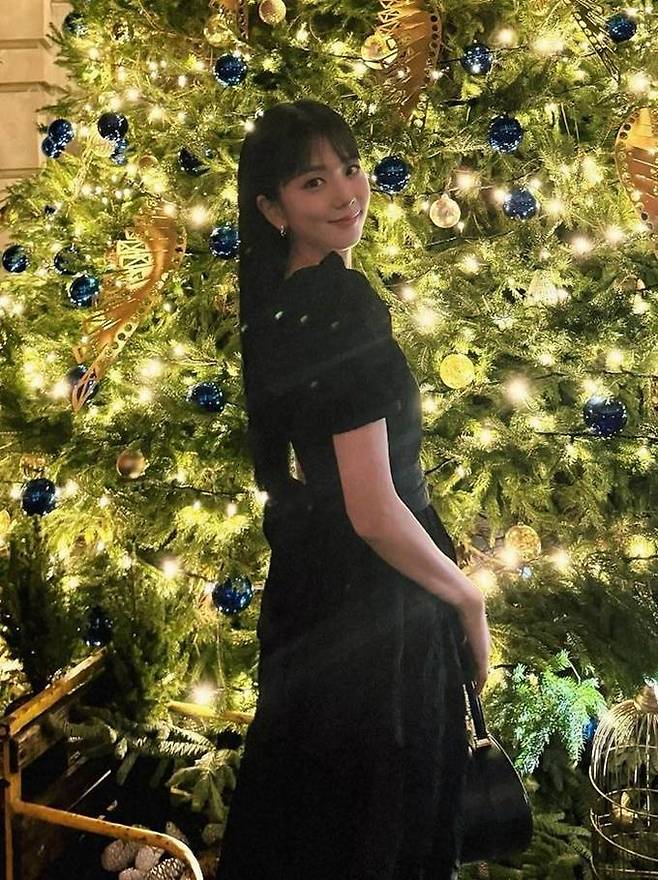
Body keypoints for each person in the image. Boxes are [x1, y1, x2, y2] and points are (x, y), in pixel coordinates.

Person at [215, 99, 491, 880]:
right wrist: (468, 598)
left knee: (312, 821)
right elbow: (373, 509)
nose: (346, 194)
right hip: (377, 607)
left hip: (314, 592)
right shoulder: (340, 304)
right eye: (313, 181)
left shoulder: (276, 300)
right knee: (383, 826)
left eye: (350, 168)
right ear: (272, 209)